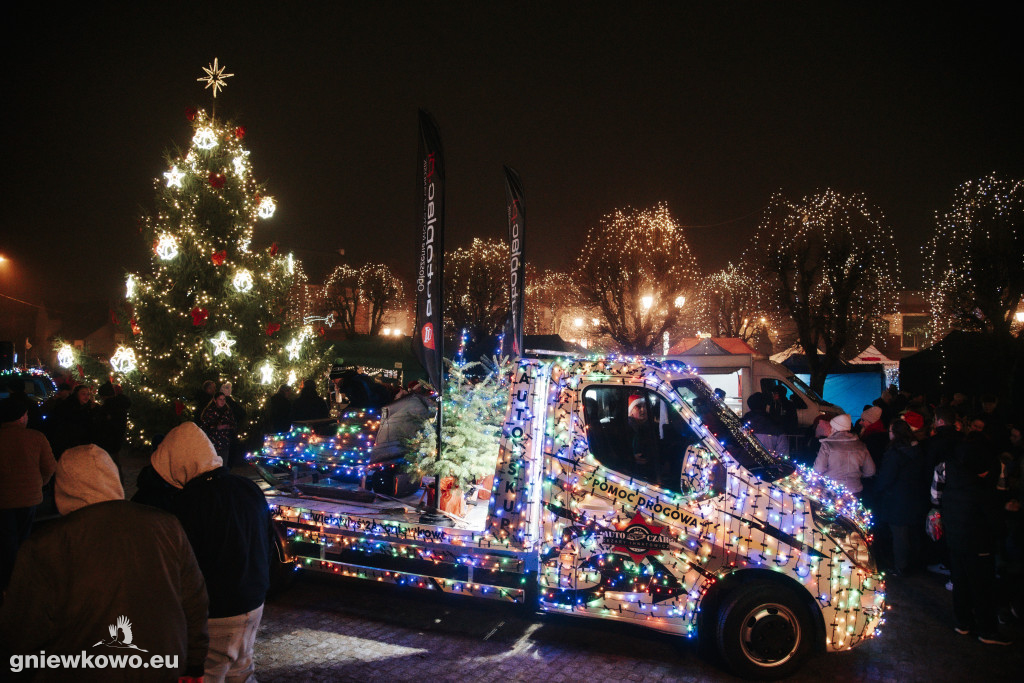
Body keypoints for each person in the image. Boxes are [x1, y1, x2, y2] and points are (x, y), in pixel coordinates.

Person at [0, 444, 209, 677]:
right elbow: (194, 600)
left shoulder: (45, 545)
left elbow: (23, 630)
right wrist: (194, 663)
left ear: (64, 489)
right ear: (113, 479)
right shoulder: (166, 525)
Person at [149, 422, 271, 681]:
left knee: (210, 673)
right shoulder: (248, 487)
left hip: (218, 610)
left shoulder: (188, 503)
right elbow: (265, 539)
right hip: (253, 600)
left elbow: (184, 568)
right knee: (242, 670)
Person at [942, 418, 1012, 644]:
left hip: (956, 542)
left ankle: (963, 622)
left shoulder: (953, 484)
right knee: (982, 588)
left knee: (961, 582)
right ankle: (987, 630)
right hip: (979, 544)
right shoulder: (980, 492)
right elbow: (995, 523)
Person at [0, 395, 57, 592]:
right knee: (23, 536)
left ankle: (8, 578)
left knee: (7, 537)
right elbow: (49, 467)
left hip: (3, 499)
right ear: (21, 417)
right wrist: (39, 483)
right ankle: (20, 577)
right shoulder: (36, 437)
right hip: (28, 496)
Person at [875, 416, 931, 576]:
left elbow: (886, 478)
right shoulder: (918, 450)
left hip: (896, 499)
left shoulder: (895, 454)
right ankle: (915, 564)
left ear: (895, 433)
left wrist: (878, 490)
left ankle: (901, 566)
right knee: (912, 533)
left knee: (899, 534)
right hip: (915, 497)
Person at [813, 413, 876, 497]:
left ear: (835, 428)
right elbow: (870, 471)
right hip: (855, 490)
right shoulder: (861, 445)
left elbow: (818, 469)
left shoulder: (827, 445)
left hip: (832, 490)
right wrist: (856, 475)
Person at [627, 393, 663, 486]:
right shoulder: (626, 428)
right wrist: (631, 458)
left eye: (645, 406)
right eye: (638, 407)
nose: (643, 410)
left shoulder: (653, 427)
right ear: (631, 410)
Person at [741, 392, 784, 456]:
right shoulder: (775, 426)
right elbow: (782, 452)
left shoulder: (742, 424)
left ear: (749, 406)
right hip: (770, 461)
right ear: (765, 405)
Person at [201, 392, 237, 461]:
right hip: (213, 444)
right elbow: (205, 426)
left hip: (224, 443)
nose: (222, 401)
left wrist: (228, 426)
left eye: (224, 399)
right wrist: (216, 427)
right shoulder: (210, 411)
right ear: (215, 400)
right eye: (220, 399)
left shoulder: (228, 411)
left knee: (223, 463)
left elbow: (233, 424)